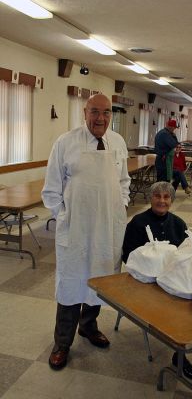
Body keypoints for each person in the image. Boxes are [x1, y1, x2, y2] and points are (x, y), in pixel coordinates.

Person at [42, 94, 131, 370]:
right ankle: (62, 342)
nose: (100, 118)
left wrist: (121, 206)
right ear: (84, 112)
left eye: (106, 112)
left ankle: (89, 327)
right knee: (72, 283)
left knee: (99, 282)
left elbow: (124, 181)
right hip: (77, 229)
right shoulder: (65, 142)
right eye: (94, 111)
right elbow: (51, 190)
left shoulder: (117, 142)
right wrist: (65, 217)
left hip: (107, 226)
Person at [122, 181, 192, 380]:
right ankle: (180, 356)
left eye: (166, 197)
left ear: (171, 200)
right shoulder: (138, 223)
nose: (162, 201)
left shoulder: (179, 223)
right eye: (158, 196)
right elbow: (127, 256)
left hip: (173, 280)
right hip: (149, 283)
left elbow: (186, 253)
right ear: (150, 198)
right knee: (180, 309)